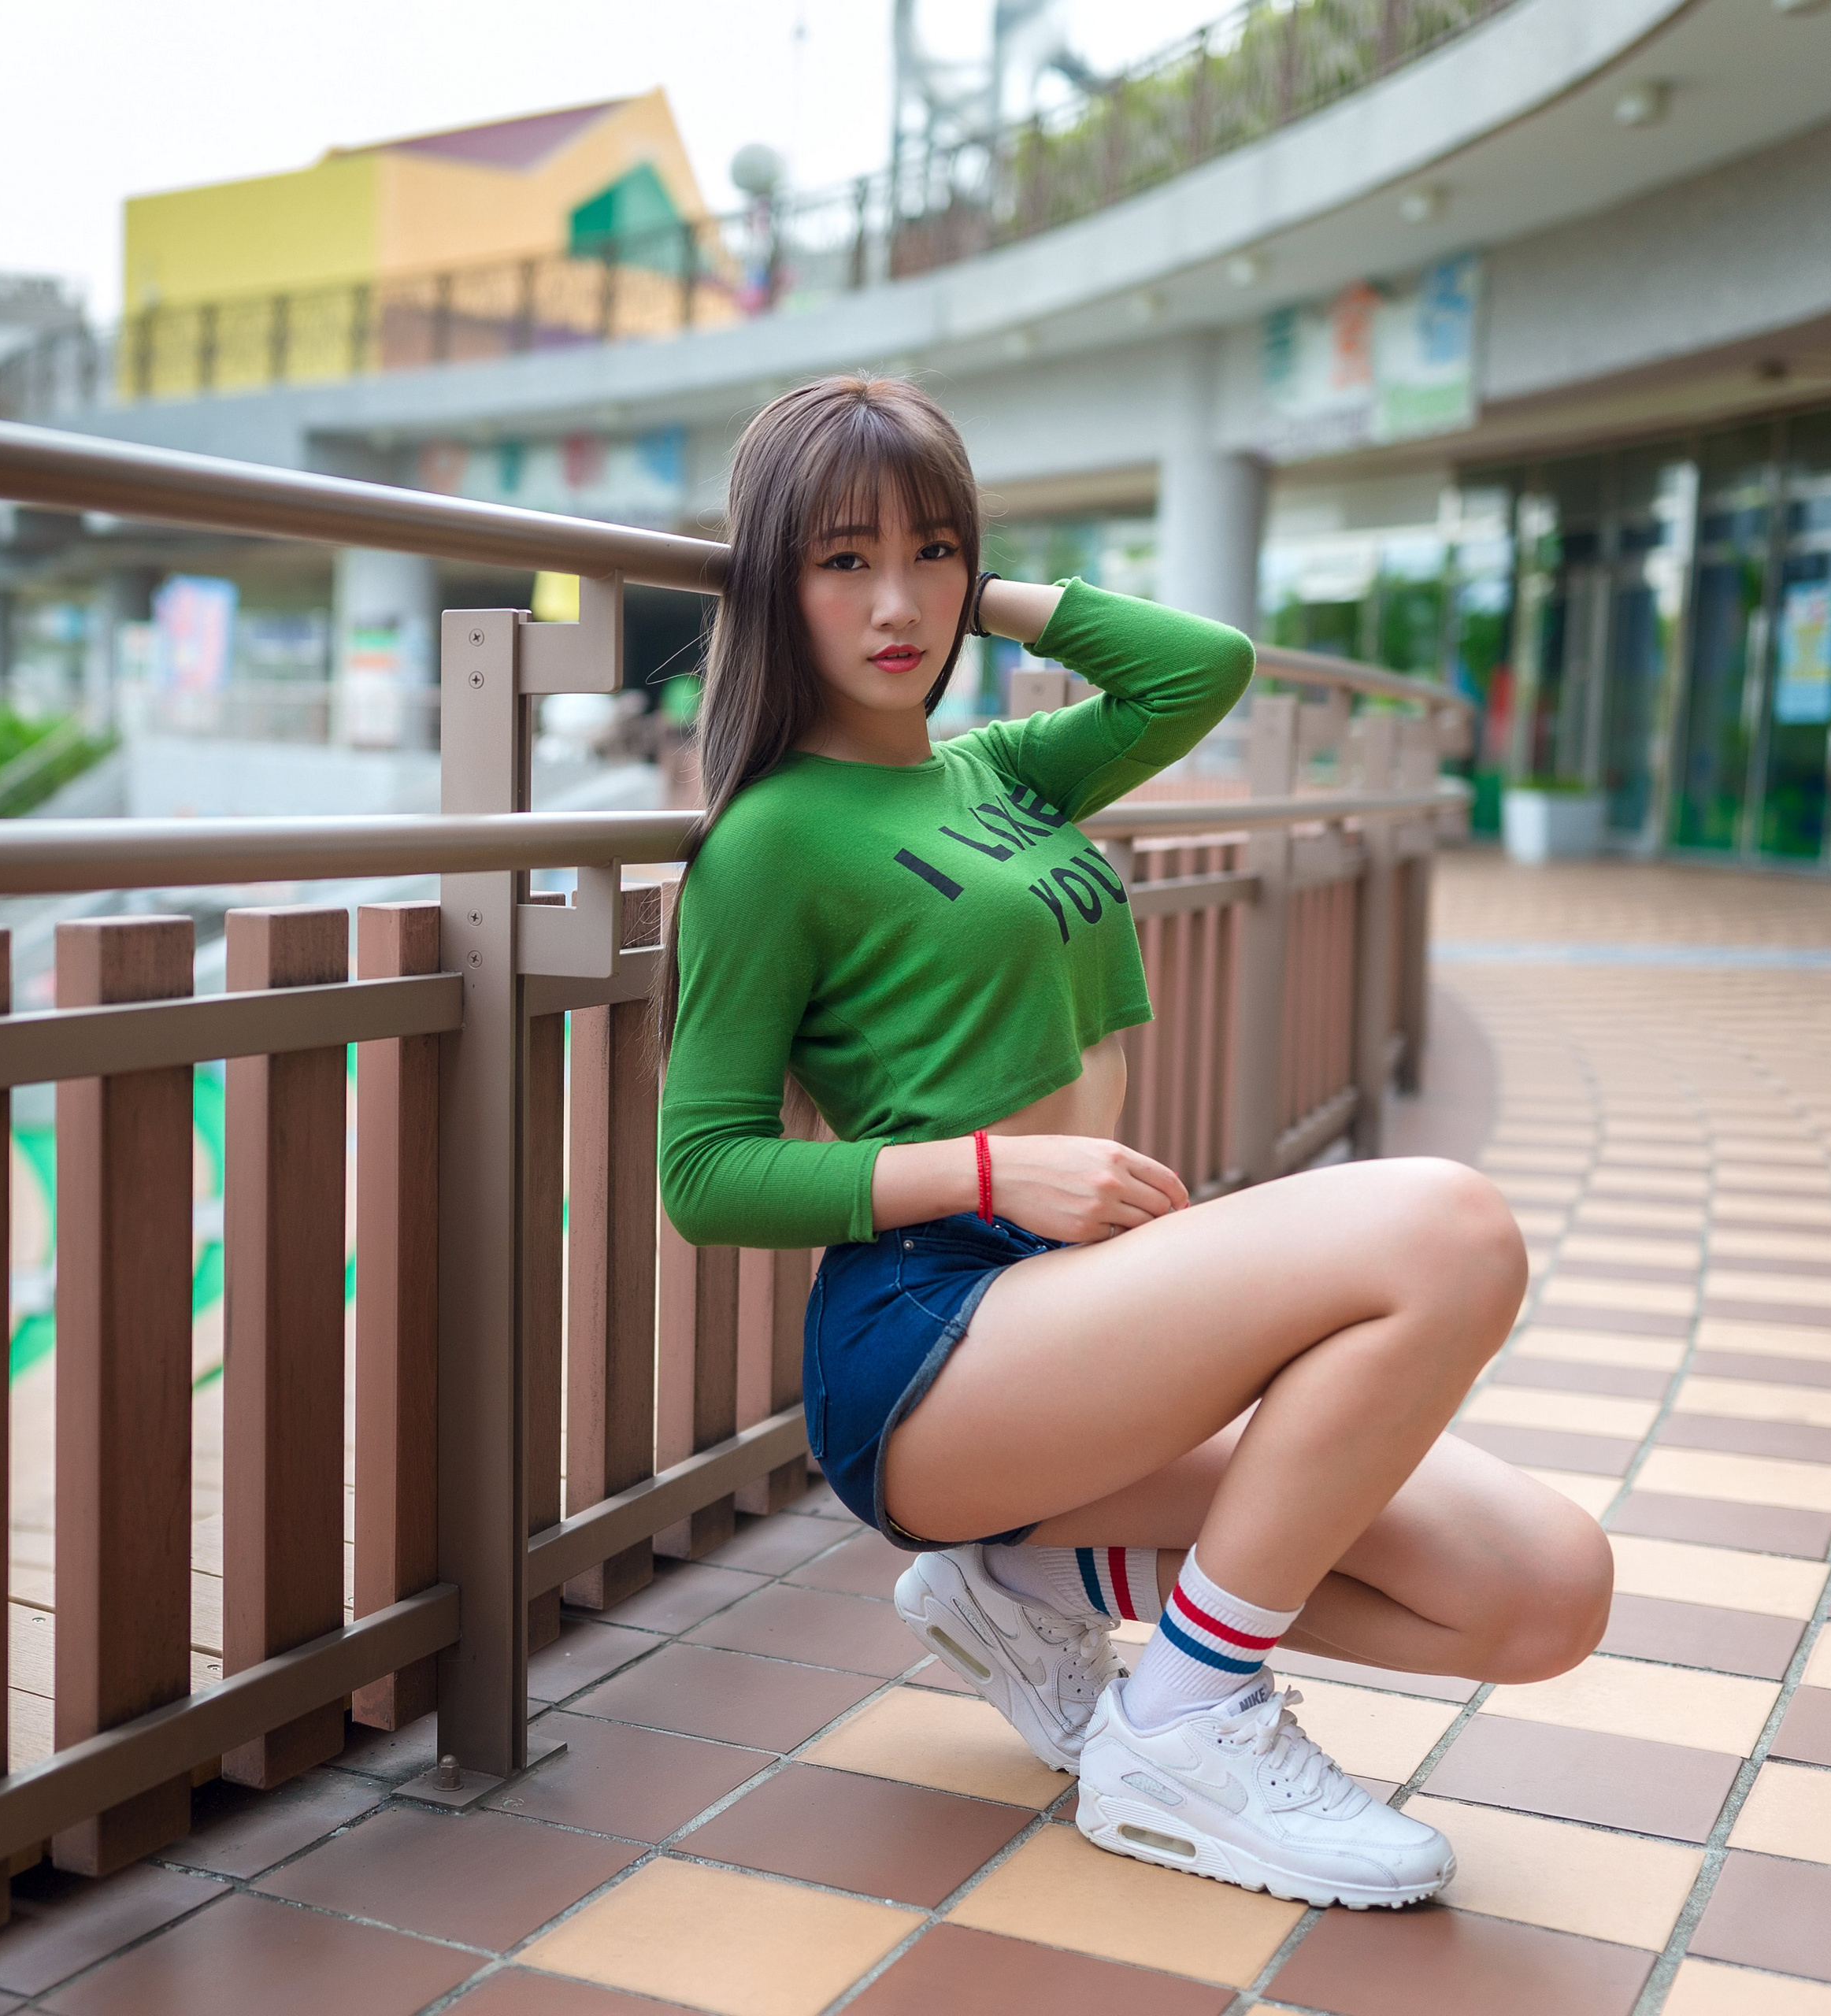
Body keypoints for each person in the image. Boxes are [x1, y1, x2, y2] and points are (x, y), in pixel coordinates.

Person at [658, 378, 1610, 1910]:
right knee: (1447, 1230)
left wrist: (992, 592)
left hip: (1088, 1315)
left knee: (1544, 1589)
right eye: (843, 559)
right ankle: (1185, 1723)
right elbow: (701, 1174)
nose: (897, 602)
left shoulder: (1004, 770)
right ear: (772, 577)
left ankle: (1037, 1585)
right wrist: (985, 1168)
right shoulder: (770, 838)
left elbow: (1199, 669)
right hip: (931, 1341)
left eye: (932, 554)